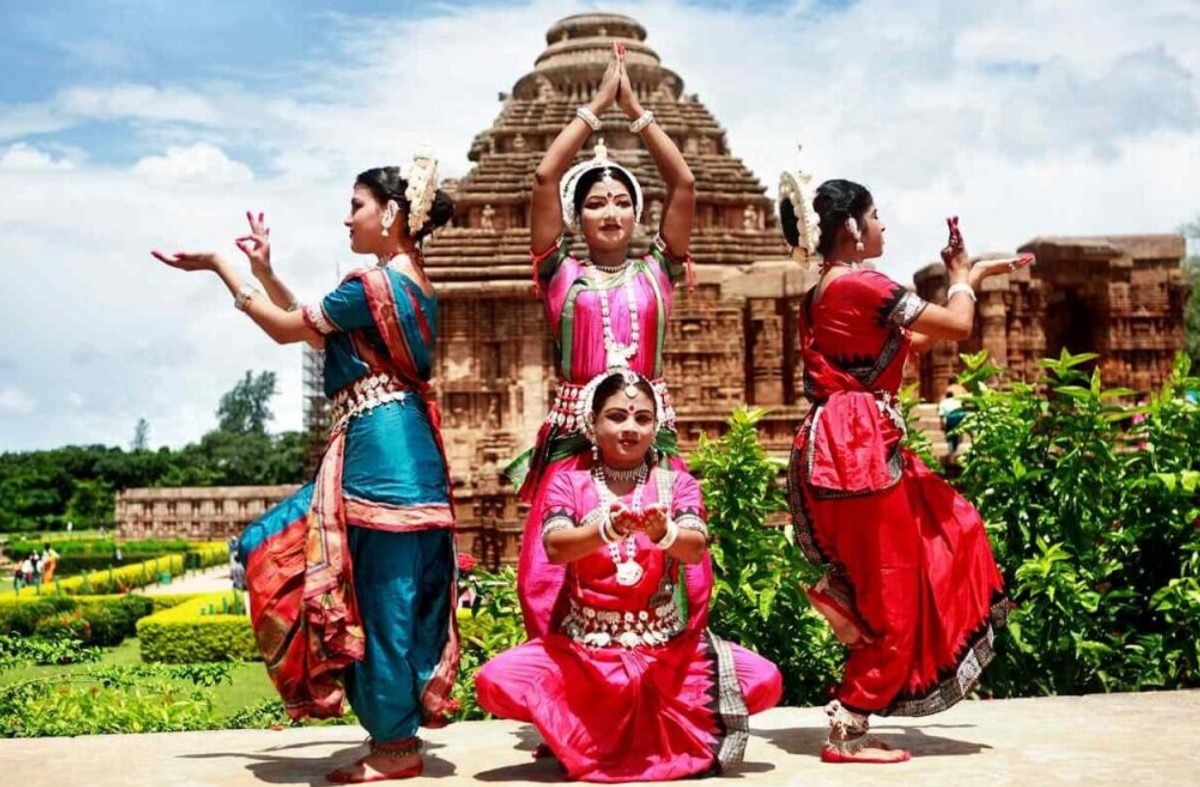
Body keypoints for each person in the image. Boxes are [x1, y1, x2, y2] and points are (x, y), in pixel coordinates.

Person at [151, 152, 459, 784]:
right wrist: (267, 270)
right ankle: (394, 735)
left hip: (379, 459)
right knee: (372, 590)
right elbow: (323, 333)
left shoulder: (371, 285)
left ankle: (394, 748)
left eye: (356, 206)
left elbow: (288, 331)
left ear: (391, 213)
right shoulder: (411, 285)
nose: (347, 219)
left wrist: (223, 268)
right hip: (405, 456)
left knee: (372, 598)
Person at [777, 175, 1031, 763]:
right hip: (857, 453)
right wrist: (965, 282)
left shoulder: (826, 291)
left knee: (954, 528)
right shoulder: (862, 284)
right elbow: (958, 327)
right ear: (849, 229)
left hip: (851, 447)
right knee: (893, 587)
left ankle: (858, 688)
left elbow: (910, 342)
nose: (882, 226)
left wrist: (964, 278)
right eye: (875, 216)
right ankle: (850, 723)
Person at [477, 370, 782, 782]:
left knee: (764, 679)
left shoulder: (677, 485)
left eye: (642, 419)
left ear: (656, 427)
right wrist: (607, 529)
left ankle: (595, 735)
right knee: (494, 681)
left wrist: (663, 532)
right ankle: (600, 729)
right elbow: (555, 547)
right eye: (617, 416)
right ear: (593, 424)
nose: (630, 428)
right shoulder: (569, 483)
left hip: (665, 654)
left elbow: (694, 548)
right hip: (585, 652)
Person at [512, 43, 703, 640]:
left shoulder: (658, 273)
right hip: (574, 431)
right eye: (596, 203)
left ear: (638, 214)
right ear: (577, 217)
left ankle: (665, 676)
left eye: (623, 201)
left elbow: (685, 182)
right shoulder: (560, 275)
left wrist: (637, 111)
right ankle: (562, 690)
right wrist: (596, 108)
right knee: (550, 568)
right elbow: (545, 175)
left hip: (646, 427)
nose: (611, 212)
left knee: (666, 553)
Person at [938, 384, 967, 454]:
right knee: (957, 432)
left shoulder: (943, 402)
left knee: (950, 434)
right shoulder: (957, 400)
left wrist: (942, 425)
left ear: (946, 396)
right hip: (960, 416)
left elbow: (941, 415)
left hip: (952, 417)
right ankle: (955, 447)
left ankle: (951, 449)